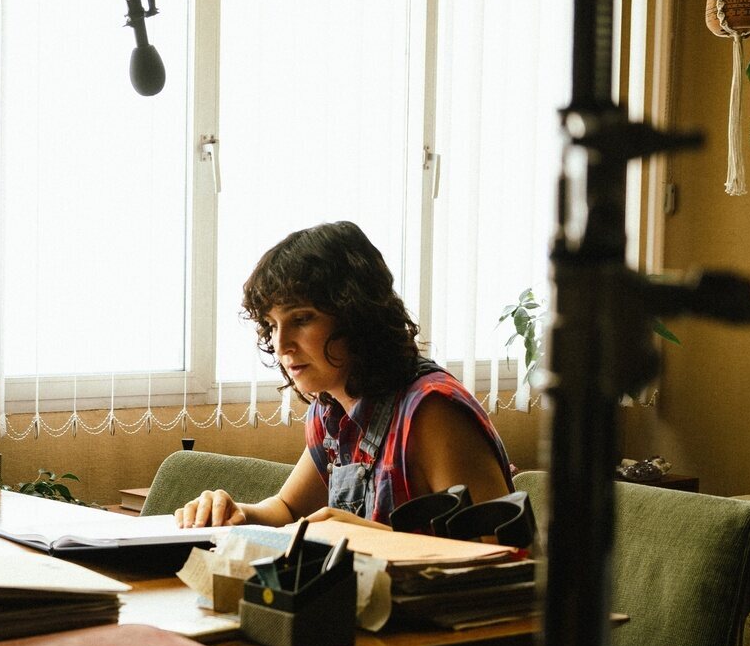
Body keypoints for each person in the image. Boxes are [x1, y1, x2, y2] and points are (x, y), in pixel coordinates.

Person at [173, 221, 512, 530]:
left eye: (302, 319)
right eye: (272, 325)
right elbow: (288, 510)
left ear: (356, 315)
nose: (281, 344)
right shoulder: (330, 409)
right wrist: (237, 512)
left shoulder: (431, 409)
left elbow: (499, 553)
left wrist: (364, 535)